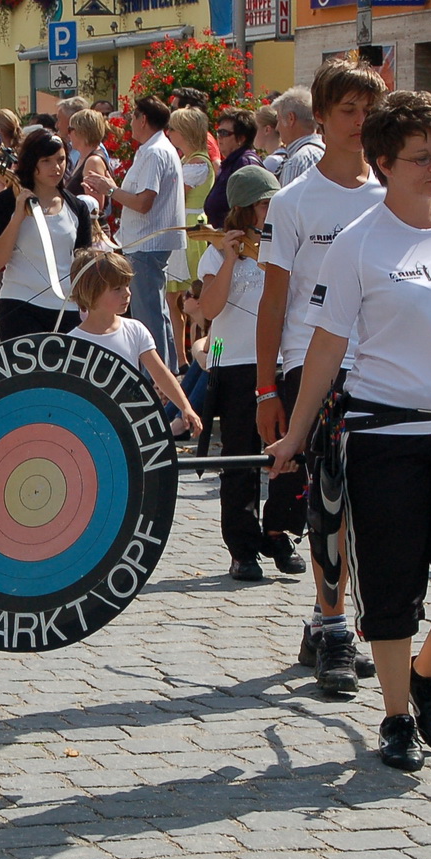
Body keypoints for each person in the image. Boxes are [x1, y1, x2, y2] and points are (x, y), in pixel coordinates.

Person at [266, 89, 431, 773]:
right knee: (392, 584)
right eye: (420, 157)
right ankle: (395, 714)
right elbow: (326, 347)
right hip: (385, 437)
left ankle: (425, 673)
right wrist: (294, 434)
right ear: (384, 163)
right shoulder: (358, 244)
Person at [256, 57, 386, 691]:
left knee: (368, 503)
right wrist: (264, 389)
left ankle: (322, 618)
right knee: (329, 496)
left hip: (381, 365)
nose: (359, 123)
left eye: (369, 111)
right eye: (348, 111)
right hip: (310, 363)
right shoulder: (293, 201)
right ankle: (335, 629)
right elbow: (273, 300)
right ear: (323, 118)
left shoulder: (393, 194)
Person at [198, 166, 284, 580]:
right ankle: (243, 548)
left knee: (287, 454)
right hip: (231, 361)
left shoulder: (282, 246)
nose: (271, 211)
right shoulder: (217, 252)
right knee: (239, 460)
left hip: (280, 360)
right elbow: (209, 309)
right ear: (246, 209)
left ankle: (279, 532)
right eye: (265, 204)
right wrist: (231, 259)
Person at [83, 96, 184, 366]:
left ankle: (155, 378)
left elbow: (143, 202)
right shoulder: (156, 148)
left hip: (146, 242)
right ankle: (167, 373)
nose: (129, 123)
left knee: (148, 315)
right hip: (148, 241)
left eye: (133, 117)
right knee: (156, 311)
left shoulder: (154, 152)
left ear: (143, 119)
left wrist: (109, 189)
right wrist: (111, 187)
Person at [67, 247, 201, 440]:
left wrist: (185, 407)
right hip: (90, 431)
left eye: (127, 285)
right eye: (117, 289)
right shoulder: (73, 342)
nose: (127, 293)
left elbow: (161, 374)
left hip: (130, 427)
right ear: (91, 291)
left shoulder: (135, 330)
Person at [0, 130, 92, 337]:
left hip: (66, 305)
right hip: (19, 302)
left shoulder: (77, 207)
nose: (56, 167)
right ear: (32, 162)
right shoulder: (7, 201)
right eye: (46, 161)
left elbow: (83, 262)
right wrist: (17, 217)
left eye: (61, 159)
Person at [167, 106, 216, 359]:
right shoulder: (189, 160)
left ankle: (202, 353)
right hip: (185, 225)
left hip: (190, 227)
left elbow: (174, 196)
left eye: (173, 129)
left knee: (194, 296)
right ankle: (182, 356)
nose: (169, 133)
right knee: (175, 298)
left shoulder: (197, 162)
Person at [205, 109, 262, 230]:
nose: (219, 137)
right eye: (218, 132)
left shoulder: (245, 164)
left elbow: (250, 209)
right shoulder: (231, 162)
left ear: (241, 138)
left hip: (237, 236)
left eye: (224, 133)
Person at [272, 86, 324, 187]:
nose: (277, 128)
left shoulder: (296, 163)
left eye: (278, 120)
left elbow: (288, 198)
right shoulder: (329, 153)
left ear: (291, 118)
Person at [64, 109, 112, 206]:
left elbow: (97, 205)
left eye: (70, 129)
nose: (68, 134)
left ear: (81, 131)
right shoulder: (84, 157)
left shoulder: (93, 161)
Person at [254, 105, 282, 171]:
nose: (251, 132)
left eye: (255, 128)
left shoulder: (272, 161)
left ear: (267, 130)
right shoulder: (285, 153)